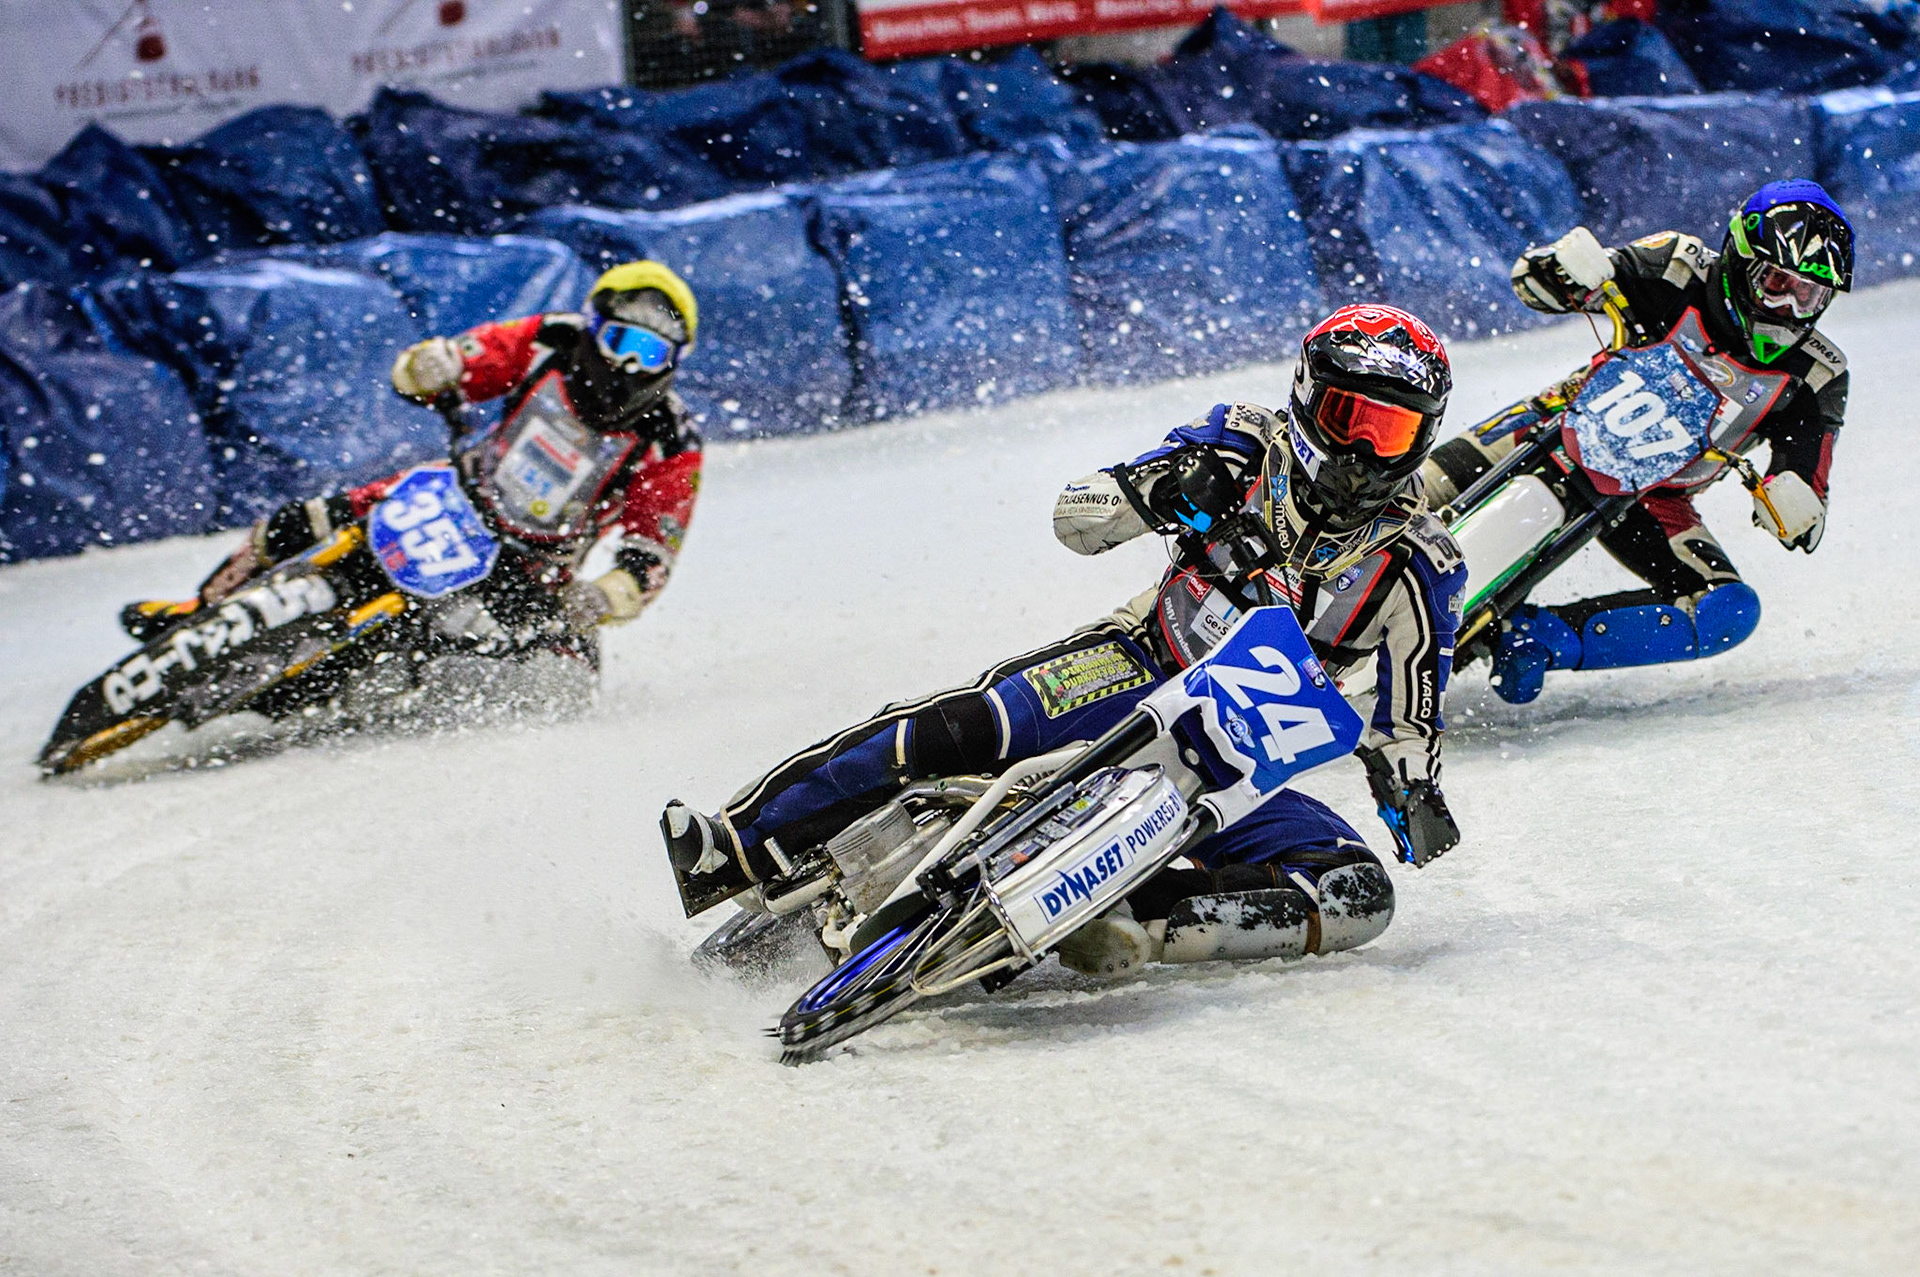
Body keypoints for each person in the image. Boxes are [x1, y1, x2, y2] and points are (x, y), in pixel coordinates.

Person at [663, 304, 1468, 978]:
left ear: (1422, 440)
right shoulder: (1239, 441)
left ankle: (1132, 918)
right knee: (966, 725)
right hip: (1134, 664)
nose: (1362, 452)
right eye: (1348, 419)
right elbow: (1075, 516)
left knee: (1357, 889)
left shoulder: (1418, 565)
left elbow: (1411, 715)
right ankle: (739, 844)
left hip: (1237, 765)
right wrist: (1160, 491)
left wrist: (1414, 796)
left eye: (1390, 432)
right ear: (1305, 399)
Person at [121, 262, 704, 660]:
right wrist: (429, 367)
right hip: (453, 495)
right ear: (593, 327)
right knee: (300, 521)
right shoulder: (551, 338)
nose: (629, 367)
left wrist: (605, 596)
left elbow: (653, 550)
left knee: (521, 662)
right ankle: (200, 609)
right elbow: (466, 360)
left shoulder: (673, 441)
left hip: (540, 566)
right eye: (621, 343)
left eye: (652, 353)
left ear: (674, 363)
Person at [1421, 179, 1852, 703]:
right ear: (1740, 259)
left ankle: (1536, 636)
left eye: (1808, 293)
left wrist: (1797, 502)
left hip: (1652, 496)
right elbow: (1533, 283)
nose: (1787, 306)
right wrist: (1564, 269)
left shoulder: (1818, 375)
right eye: (1776, 282)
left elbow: (1808, 494)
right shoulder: (1677, 263)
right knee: (1414, 486)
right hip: (1559, 419)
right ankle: (1300, 557)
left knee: (1727, 611)